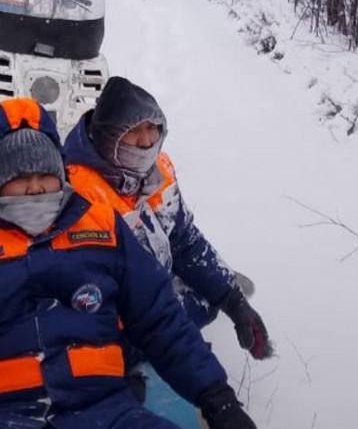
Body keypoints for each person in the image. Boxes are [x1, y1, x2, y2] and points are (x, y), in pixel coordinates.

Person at [0, 98, 257, 429]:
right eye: (19, 178)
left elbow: (159, 319)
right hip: (0, 415)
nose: (35, 188)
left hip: (105, 412)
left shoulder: (102, 229)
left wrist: (217, 398)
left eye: (44, 175)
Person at [63, 77, 274, 392]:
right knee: (189, 312)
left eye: (153, 129)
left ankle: (209, 287)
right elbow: (82, 297)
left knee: (209, 298)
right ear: (109, 135)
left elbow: (184, 241)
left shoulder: (155, 170)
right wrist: (113, 363)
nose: (147, 141)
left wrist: (232, 299)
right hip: (117, 320)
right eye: (135, 131)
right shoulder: (77, 194)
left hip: (152, 290)